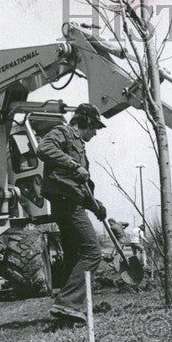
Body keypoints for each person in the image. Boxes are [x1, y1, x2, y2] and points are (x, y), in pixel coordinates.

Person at [38, 102, 108, 324]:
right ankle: (68, 304)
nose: (96, 133)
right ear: (84, 121)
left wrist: (96, 205)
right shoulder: (63, 132)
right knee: (92, 253)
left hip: (72, 200)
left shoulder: (78, 144)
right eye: (94, 127)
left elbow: (79, 185)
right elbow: (43, 149)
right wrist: (72, 164)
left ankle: (64, 310)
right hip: (66, 204)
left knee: (75, 256)